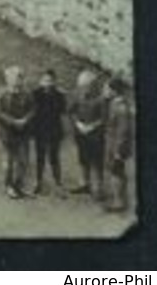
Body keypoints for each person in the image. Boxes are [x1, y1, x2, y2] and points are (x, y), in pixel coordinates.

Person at [0, 65, 35, 199]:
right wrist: (13, 121)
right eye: (15, 78)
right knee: (9, 161)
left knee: (23, 161)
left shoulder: (27, 93)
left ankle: (19, 185)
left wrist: (25, 120)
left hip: (23, 133)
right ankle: (8, 185)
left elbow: (33, 109)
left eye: (20, 78)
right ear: (8, 79)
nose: (18, 81)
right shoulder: (2, 93)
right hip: (7, 133)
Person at [68, 69, 107, 199]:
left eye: (86, 86)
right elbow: (71, 111)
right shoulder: (76, 94)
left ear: (93, 85)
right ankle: (85, 184)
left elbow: (105, 118)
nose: (83, 89)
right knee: (83, 159)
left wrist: (92, 126)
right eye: (81, 86)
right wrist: (78, 123)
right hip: (80, 134)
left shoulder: (101, 99)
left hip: (95, 136)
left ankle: (99, 189)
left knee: (97, 162)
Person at [31, 68, 66, 195]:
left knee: (54, 158)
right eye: (45, 80)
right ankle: (38, 182)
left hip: (54, 131)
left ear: (55, 81)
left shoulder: (59, 95)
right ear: (41, 81)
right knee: (40, 157)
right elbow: (32, 111)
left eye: (51, 81)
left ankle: (58, 183)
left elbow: (62, 111)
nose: (48, 83)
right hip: (40, 130)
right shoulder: (35, 94)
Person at [102, 76, 133, 213]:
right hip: (113, 144)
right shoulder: (114, 103)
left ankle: (118, 202)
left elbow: (123, 130)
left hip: (117, 146)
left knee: (116, 172)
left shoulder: (120, 107)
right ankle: (120, 199)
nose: (104, 90)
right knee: (117, 172)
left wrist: (118, 151)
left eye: (106, 88)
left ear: (114, 90)